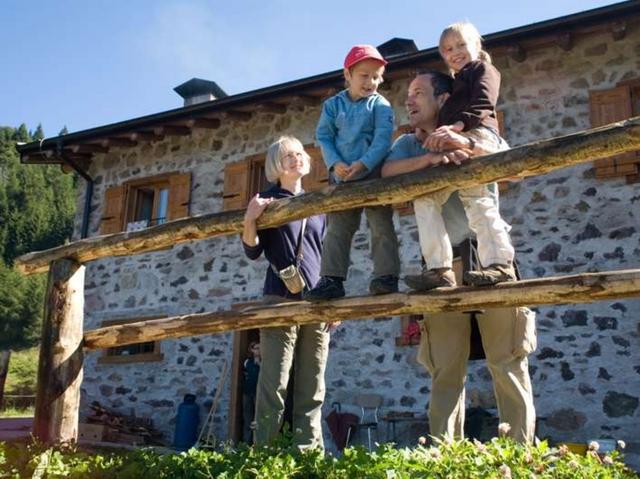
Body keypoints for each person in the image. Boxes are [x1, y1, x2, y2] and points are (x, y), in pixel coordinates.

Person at [381, 71, 536, 442]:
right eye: (408, 95)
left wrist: (460, 144)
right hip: (442, 267)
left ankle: (519, 455)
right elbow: (387, 172)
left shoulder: (477, 131)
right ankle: (443, 457)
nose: (410, 101)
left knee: (507, 362)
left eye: (419, 93)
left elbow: (513, 166)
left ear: (443, 98)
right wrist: (430, 161)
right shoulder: (407, 144)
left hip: (490, 261)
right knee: (445, 369)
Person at [405, 22, 516, 291]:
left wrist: (457, 128)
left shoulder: (482, 70)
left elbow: (483, 102)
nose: (455, 52)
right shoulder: (454, 84)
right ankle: (439, 268)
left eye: (461, 45)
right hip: (457, 143)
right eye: (447, 49)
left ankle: (500, 264)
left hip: (479, 135)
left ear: (476, 45)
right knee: (426, 197)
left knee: (478, 199)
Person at [242, 135, 329, 449]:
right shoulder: (267, 201)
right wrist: (251, 218)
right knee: (274, 383)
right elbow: (252, 251)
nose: (297, 158)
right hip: (279, 298)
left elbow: (326, 254)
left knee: (312, 385)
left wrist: (333, 302)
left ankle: (308, 454)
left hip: (317, 302)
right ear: (276, 165)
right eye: (288, 155)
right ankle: (265, 454)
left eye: (300, 153)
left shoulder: (319, 205)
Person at [304, 44, 400, 300]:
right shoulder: (332, 105)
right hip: (342, 177)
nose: (371, 82)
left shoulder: (381, 106)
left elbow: (382, 141)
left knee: (381, 225)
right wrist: (335, 163)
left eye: (376, 76)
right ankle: (331, 280)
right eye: (364, 75)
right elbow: (324, 136)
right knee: (337, 229)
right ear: (348, 74)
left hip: (373, 174)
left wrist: (364, 163)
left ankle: (385, 276)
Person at [242, 340, 260, 444]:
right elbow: (245, 375)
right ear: (252, 350)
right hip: (248, 392)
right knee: (247, 417)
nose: (258, 351)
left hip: (259, 393)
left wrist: (260, 364)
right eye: (256, 348)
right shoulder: (247, 362)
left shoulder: (265, 362)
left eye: (260, 348)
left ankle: (256, 442)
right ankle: (246, 442)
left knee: (258, 417)